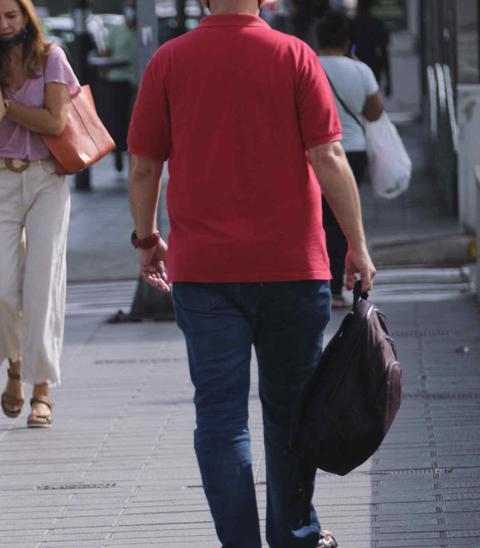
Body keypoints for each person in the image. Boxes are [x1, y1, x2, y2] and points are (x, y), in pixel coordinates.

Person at [126, 1, 376, 546]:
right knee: (290, 410)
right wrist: (355, 244)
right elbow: (329, 155)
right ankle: (293, 534)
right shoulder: (295, 56)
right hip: (293, 267)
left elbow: (144, 164)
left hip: (205, 271)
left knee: (220, 416)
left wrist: (146, 240)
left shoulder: (169, 61)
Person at [0, 0, 79, 428]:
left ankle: (41, 390)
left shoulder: (51, 57)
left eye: (12, 15)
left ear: (26, 17)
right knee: (0, 290)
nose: (5, 24)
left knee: (42, 285)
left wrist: (11, 109)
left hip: (46, 178)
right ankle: (14, 366)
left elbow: (54, 122)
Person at [317, 11, 384, 309]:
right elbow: (374, 112)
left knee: (318, 219)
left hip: (316, 153)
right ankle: (339, 285)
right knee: (343, 220)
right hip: (353, 153)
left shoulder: (310, 67)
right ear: (347, 41)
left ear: (317, 40)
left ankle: (324, 284)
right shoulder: (361, 71)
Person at [100, 0, 140, 173]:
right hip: (118, 82)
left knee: (136, 121)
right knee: (118, 120)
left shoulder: (146, 30)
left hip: (138, 82)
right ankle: (118, 154)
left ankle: (133, 155)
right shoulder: (116, 30)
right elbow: (106, 53)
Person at [351, 0, 392, 96]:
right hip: (374, 65)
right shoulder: (377, 24)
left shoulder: (353, 25)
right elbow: (384, 53)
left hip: (357, 65)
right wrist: (388, 80)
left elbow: (347, 50)